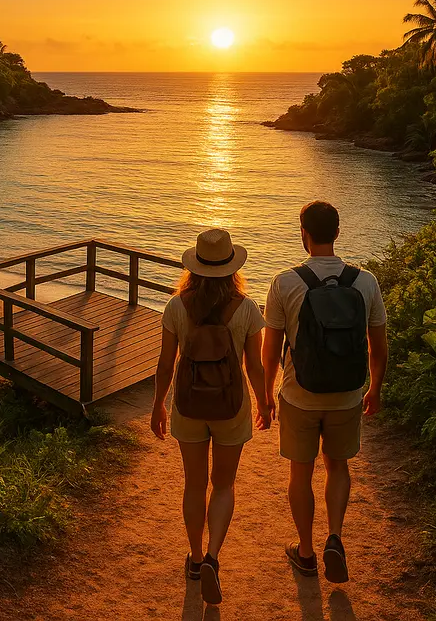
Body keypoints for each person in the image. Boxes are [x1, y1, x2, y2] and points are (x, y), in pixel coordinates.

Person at [262, 201, 388, 583]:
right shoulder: (365, 281)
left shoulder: (285, 282)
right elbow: (378, 347)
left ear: (304, 233)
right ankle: (334, 536)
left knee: (300, 474)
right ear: (337, 232)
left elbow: (271, 348)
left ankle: (305, 551)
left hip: (298, 395)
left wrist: (265, 396)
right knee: (338, 466)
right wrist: (374, 389)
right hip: (347, 395)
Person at [150, 228, 271, 605]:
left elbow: (165, 365)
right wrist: (264, 402)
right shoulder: (247, 308)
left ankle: (195, 557)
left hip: (188, 406)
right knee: (223, 485)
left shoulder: (176, 306)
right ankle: (213, 558)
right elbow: (255, 366)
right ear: (233, 268)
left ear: (194, 267)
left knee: (194, 484)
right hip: (231, 406)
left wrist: (158, 405)